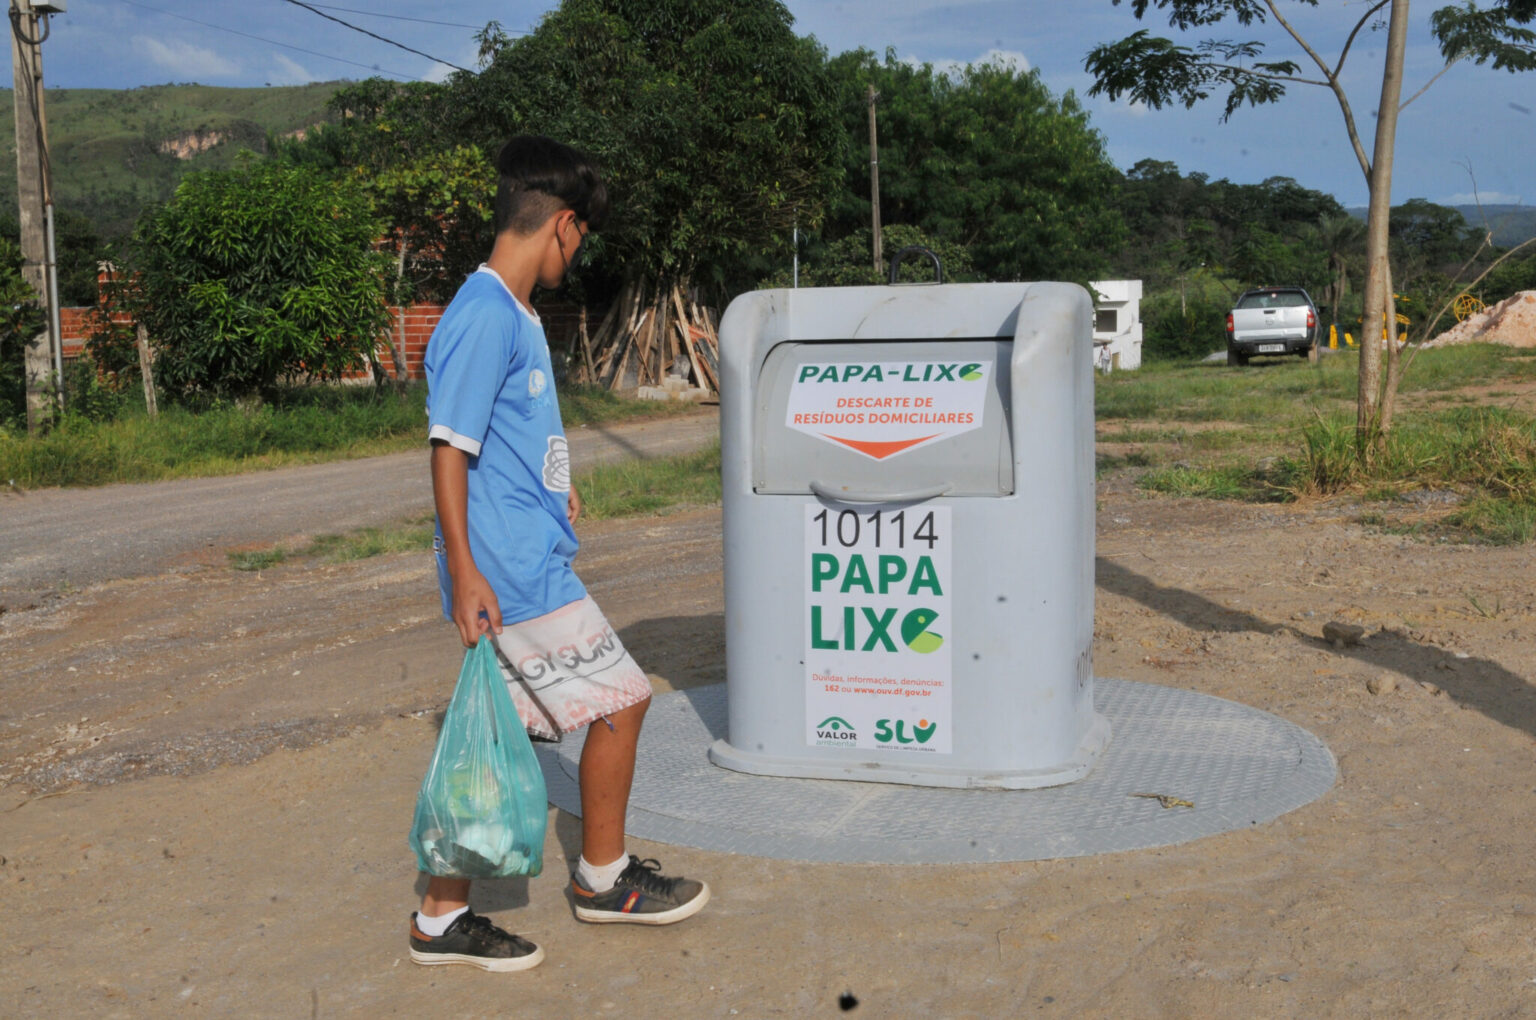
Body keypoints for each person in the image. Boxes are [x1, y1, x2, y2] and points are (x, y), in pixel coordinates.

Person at [408, 136, 709, 973]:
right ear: (564, 225)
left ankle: (440, 917)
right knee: (623, 700)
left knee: (499, 732)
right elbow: (449, 447)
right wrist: (466, 571)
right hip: (509, 570)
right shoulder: (485, 314)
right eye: (581, 240)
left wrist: (555, 489)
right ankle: (603, 880)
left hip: (518, 547)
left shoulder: (515, 311)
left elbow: (508, 435)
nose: (576, 257)